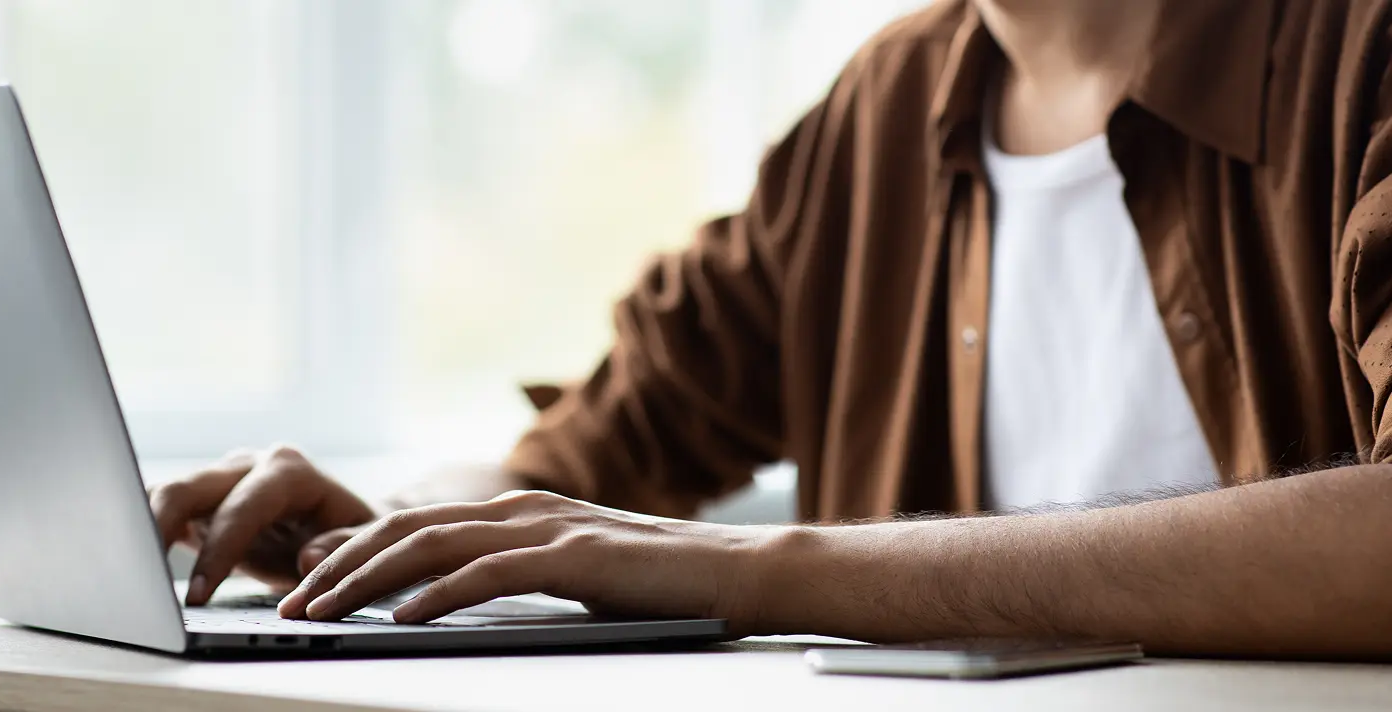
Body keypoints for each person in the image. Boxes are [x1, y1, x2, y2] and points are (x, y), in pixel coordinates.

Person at [149, 0, 1392, 657]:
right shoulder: (881, 110)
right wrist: (404, 534)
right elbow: (583, 461)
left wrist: (764, 573)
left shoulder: (1361, 52)